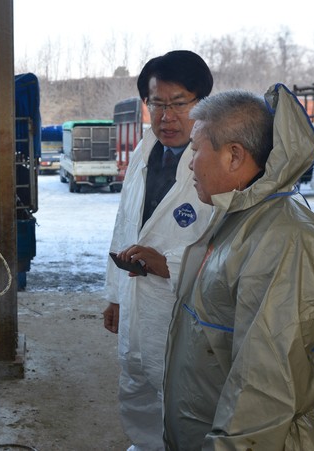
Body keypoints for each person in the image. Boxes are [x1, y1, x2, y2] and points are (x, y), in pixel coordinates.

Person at [162, 85, 314, 450]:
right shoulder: (241, 216)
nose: (189, 162)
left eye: (196, 150)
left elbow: (264, 390)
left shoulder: (284, 242)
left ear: (233, 156)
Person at [103, 50, 214, 450]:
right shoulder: (144, 149)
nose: (166, 116)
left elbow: (233, 249)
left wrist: (169, 265)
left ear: (203, 102)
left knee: (186, 394)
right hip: (135, 297)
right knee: (137, 383)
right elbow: (125, 222)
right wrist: (115, 294)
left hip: (186, 306)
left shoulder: (222, 159)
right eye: (156, 104)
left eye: (178, 103)